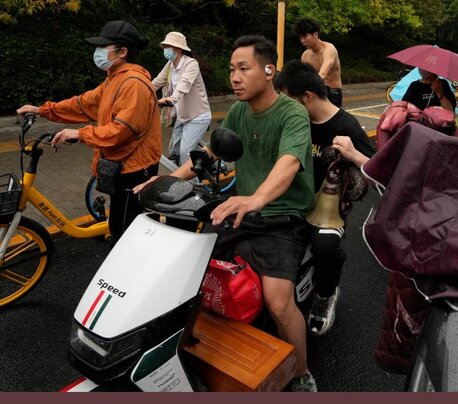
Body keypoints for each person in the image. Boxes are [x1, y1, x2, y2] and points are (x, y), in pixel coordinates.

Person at [134, 35, 317, 392]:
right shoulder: (237, 111)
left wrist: (256, 198)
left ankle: (302, 373)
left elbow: (289, 162)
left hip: (282, 216)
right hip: (240, 208)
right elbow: (209, 155)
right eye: (232, 69)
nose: (234, 76)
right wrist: (165, 181)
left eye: (243, 68)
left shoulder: (291, 113)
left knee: (278, 301)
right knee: (190, 267)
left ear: (268, 71)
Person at [16, 20, 161, 241]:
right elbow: (83, 104)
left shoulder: (134, 84)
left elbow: (122, 131)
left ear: (122, 52)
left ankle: (130, 270)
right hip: (123, 165)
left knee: (127, 230)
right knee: (119, 223)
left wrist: (80, 134)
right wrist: (42, 110)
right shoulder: (114, 79)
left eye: (104, 47)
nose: (98, 52)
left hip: (135, 169)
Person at [274, 60, 375, 336]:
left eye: (288, 100)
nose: (283, 106)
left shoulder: (346, 126)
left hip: (328, 206)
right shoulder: (296, 120)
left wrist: (354, 155)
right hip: (294, 199)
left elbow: (380, 168)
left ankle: (326, 293)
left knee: (324, 245)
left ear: (306, 97)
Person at [152, 31, 212, 167]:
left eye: (168, 46)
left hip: (198, 116)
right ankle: (202, 161)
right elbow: (157, 82)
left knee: (186, 152)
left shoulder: (191, 64)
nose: (166, 49)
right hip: (182, 115)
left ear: (178, 48)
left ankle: (196, 185)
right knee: (174, 151)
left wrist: (171, 99)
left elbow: (184, 85)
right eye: (165, 45)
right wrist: (140, 93)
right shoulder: (170, 64)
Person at [293, 18, 343, 107]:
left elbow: (323, 73)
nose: (302, 40)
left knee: (331, 120)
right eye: (301, 37)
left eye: (305, 36)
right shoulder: (305, 55)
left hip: (332, 93)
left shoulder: (329, 49)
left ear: (315, 34)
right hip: (315, 92)